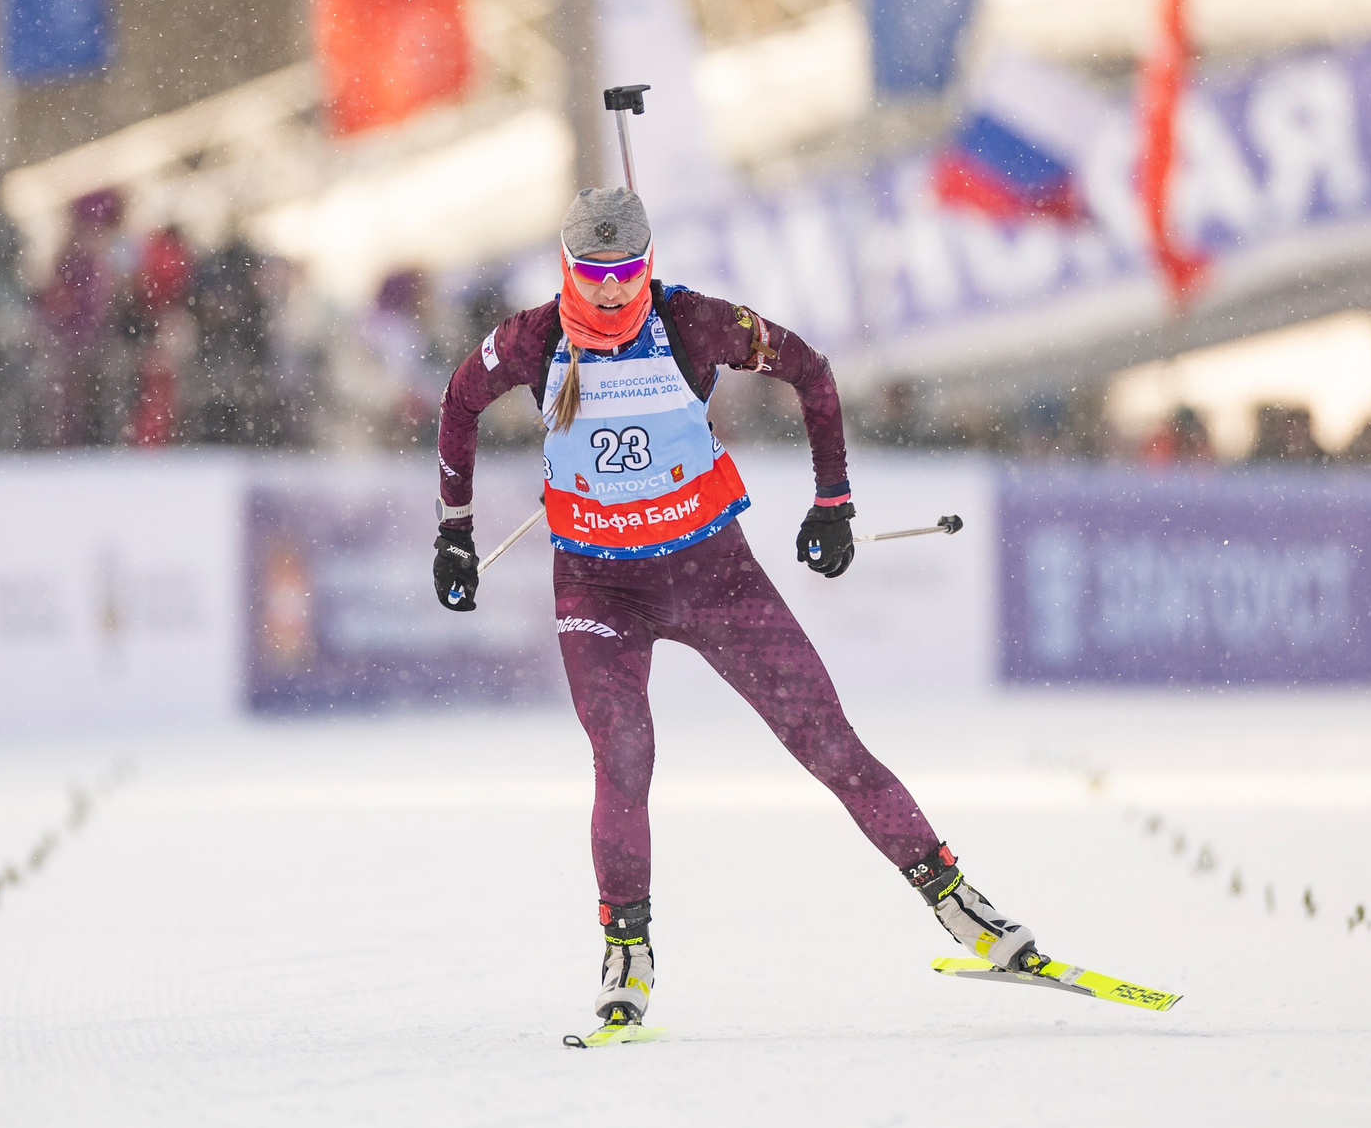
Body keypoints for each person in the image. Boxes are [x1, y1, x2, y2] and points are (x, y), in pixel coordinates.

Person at [430, 186, 1038, 1038]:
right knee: (624, 751)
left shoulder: (695, 324)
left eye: (627, 270)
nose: (611, 289)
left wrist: (834, 502)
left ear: (649, 262)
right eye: (594, 273)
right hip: (599, 586)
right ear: (568, 267)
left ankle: (957, 902)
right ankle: (626, 951)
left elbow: (812, 373)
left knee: (829, 743)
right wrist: (452, 534)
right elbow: (458, 403)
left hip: (712, 574)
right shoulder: (533, 340)